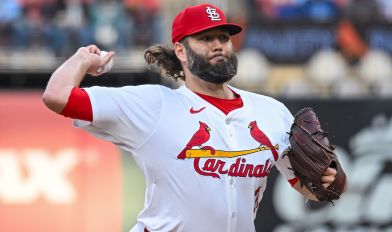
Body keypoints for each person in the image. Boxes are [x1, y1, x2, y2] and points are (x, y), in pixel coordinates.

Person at [43, 3, 343, 232]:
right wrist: (83, 58)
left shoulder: (271, 112)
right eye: (206, 38)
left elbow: (308, 187)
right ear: (181, 51)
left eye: (224, 38)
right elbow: (58, 96)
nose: (218, 45)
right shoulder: (153, 104)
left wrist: (326, 183)